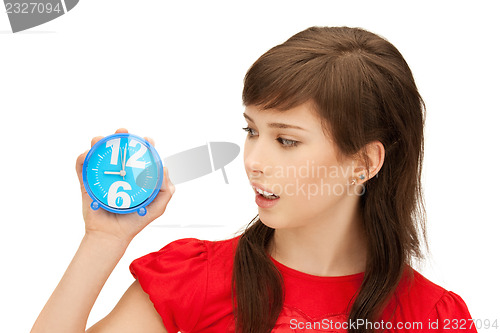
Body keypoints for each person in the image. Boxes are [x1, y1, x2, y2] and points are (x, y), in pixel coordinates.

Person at [31, 26, 477, 333]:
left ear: (364, 161)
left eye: (286, 141)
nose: (253, 161)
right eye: (251, 130)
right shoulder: (197, 278)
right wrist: (103, 238)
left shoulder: (434, 316)